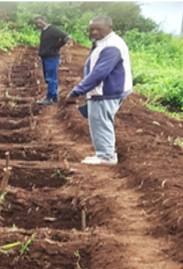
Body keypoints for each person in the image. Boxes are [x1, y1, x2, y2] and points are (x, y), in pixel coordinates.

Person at [63, 16, 133, 166]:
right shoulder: (103, 43)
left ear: (110, 28)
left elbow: (99, 73)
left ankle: (106, 156)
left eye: (98, 29)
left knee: (100, 122)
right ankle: (104, 153)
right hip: (107, 89)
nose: (94, 32)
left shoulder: (111, 46)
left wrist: (76, 92)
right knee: (99, 121)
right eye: (91, 29)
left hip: (106, 91)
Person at [33, 17, 71, 105]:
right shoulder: (44, 31)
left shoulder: (52, 29)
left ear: (45, 21)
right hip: (46, 57)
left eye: (40, 22)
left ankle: (50, 98)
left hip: (52, 57)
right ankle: (53, 97)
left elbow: (66, 36)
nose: (38, 25)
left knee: (51, 78)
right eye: (36, 24)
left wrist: (56, 47)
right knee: (48, 78)